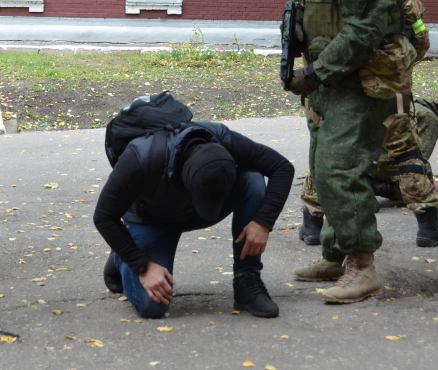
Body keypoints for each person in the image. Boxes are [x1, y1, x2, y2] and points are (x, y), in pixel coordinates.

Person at [271, 0, 415, 304]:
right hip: (329, 79)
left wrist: (315, 73)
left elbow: (363, 30)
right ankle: (336, 255)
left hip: (364, 78)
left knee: (339, 169)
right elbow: (298, 2)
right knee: (322, 167)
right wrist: (294, 38)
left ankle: (362, 267)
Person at [94, 93, 294, 319]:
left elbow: (282, 168)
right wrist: (143, 266)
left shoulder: (220, 137)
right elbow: (103, 217)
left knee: (252, 180)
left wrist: (263, 221)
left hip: (186, 209)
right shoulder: (140, 158)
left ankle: (247, 280)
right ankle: (121, 257)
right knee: (152, 306)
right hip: (150, 219)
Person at [298, 0, 438, 249]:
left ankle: (312, 223)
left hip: (332, 76)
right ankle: (429, 226)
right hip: (384, 78)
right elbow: (418, 33)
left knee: (326, 149)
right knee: (405, 151)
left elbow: (303, 32)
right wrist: (399, 67)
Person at [299, 98, 438, 247]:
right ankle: (429, 227)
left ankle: (312, 223)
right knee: (409, 156)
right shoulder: (428, 117)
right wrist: (427, 180)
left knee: (327, 152)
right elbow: (420, 156)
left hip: (360, 157)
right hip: (390, 160)